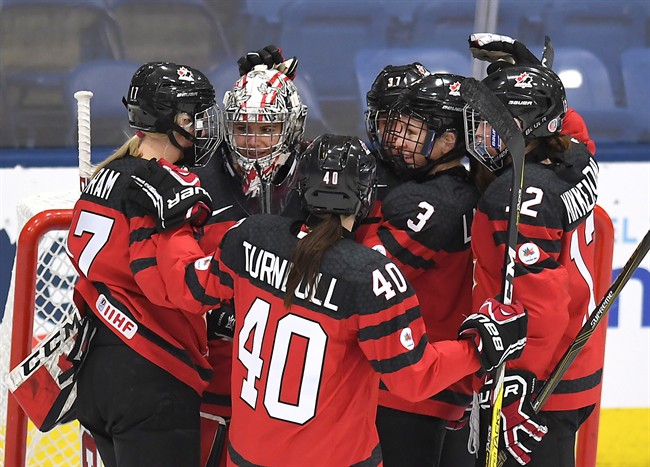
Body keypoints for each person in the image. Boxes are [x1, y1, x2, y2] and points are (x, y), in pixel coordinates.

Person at [128, 133, 529, 466]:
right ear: (365, 196)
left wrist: (172, 224)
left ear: (301, 188)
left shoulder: (249, 236)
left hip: (245, 457)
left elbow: (187, 289)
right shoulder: (370, 275)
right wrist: (479, 346)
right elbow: (413, 378)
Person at [66, 61, 220, 467]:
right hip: (151, 374)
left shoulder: (107, 175)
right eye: (197, 116)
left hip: (96, 371)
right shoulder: (168, 186)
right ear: (176, 121)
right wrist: (233, 268)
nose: (204, 126)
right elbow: (181, 287)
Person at [463, 60, 601, 466]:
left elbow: (539, 304)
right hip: (569, 363)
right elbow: (571, 133)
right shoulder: (574, 159)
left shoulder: (518, 195)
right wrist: (537, 79)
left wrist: (515, 388)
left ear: (526, 126)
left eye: (494, 123)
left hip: (536, 390)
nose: (482, 134)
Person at [358, 72, 480, 467]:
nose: (395, 139)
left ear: (448, 141)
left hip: (407, 385)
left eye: (411, 130)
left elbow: (360, 277)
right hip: (437, 383)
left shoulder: (431, 206)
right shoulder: (462, 187)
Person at [191, 60, 308, 467]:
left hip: (289, 383)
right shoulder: (199, 184)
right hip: (215, 376)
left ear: (291, 127)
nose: (254, 141)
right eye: (243, 127)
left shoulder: (317, 182)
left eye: (266, 128)